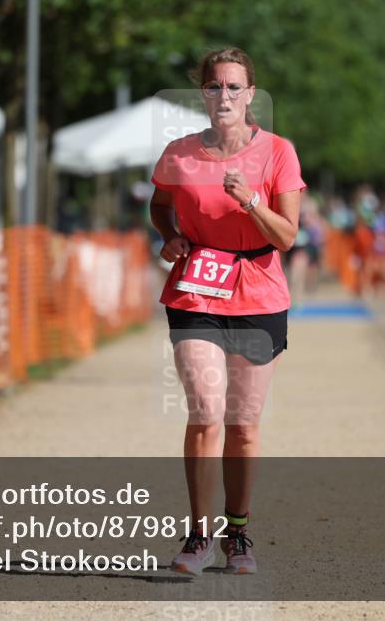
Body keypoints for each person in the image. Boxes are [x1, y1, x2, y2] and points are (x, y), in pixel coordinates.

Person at [148, 47, 306, 576]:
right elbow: (159, 203)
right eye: (215, 86)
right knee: (206, 412)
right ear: (203, 93)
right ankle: (199, 537)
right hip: (196, 291)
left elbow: (287, 236)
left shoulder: (278, 152)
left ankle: (237, 533)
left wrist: (252, 203)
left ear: (250, 95)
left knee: (243, 425)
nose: (224, 96)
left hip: (259, 290)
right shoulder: (180, 153)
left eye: (234, 87)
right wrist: (170, 236)